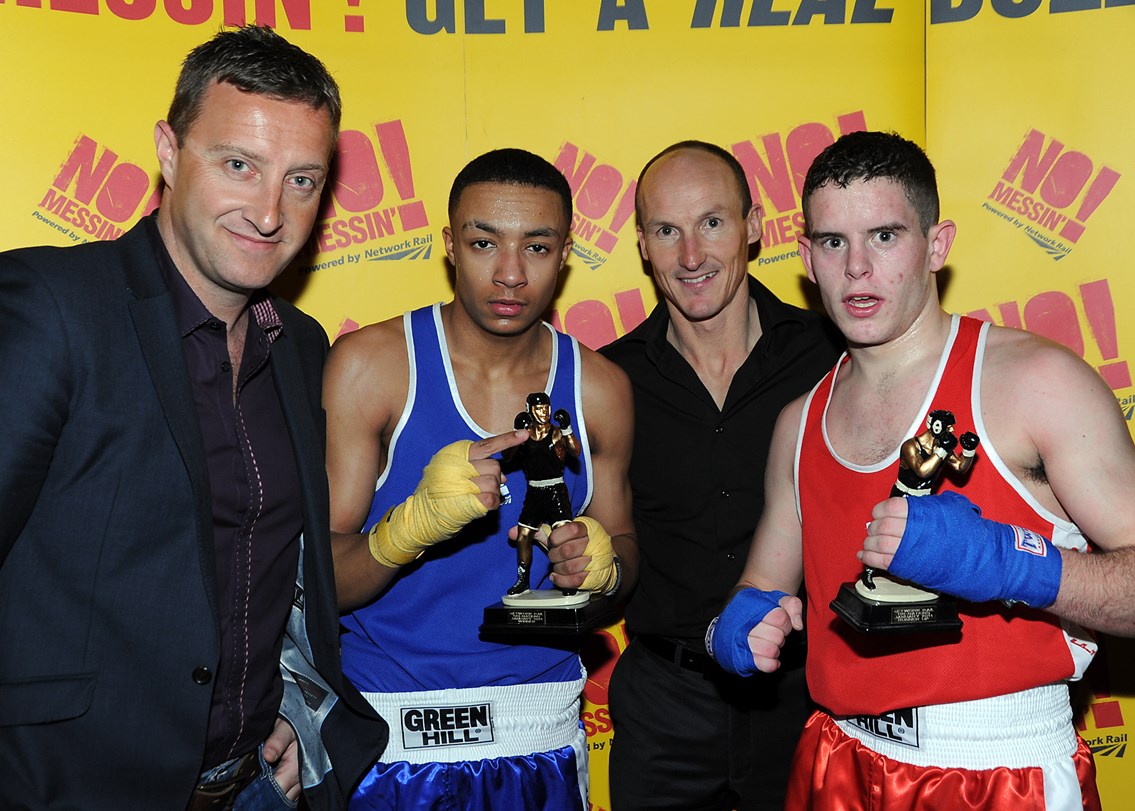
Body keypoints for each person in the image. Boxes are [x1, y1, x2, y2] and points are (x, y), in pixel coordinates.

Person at [0, 26, 386, 810]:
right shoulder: (54, 305)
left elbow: (256, 565)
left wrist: (287, 701)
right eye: (238, 164)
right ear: (169, 153)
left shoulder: (304, 346)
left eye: (303, 180)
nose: (270, 211)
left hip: (249, 787)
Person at [706, 130, 1135, 809]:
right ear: (806, 260)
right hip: (835, 757)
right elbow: (762, 583)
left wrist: (1010, 561)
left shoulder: (1036, 383)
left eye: (883, 236)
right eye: (830, 242)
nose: (855, 270)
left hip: (996, 772)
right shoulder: (798, 421)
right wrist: (734, 624)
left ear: (935, 245)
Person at [324, 147, 636, 810]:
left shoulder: (600, 388)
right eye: (483, 242)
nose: (510, 273)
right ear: (448, 245)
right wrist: (401, 532)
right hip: (394, 746)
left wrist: (605, 572)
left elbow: (625, 550)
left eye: (537, 246)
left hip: (541, 735)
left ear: (566, 254)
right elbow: (311, 575)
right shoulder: (372, 367)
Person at [599, 141, 842, 809]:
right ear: (642, 245)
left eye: (711, 222)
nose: (690, 256)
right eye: (666, 230)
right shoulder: (607, 379)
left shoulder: (832, 356)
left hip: (806, 693)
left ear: (754, 226)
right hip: (662, 704)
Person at [509, 391, 582, 595]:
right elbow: (507, 457)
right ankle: (523, 580)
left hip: (556, 489)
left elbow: (575, 451)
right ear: (530, 411)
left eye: (546, 408)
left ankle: (569, 581)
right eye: (539, 409)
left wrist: (567, 428)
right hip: (534, 490)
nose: (544, 413)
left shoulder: (557, 432)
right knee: (523, 535)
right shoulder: (525, 434)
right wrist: (516, 433)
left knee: (563, 535)